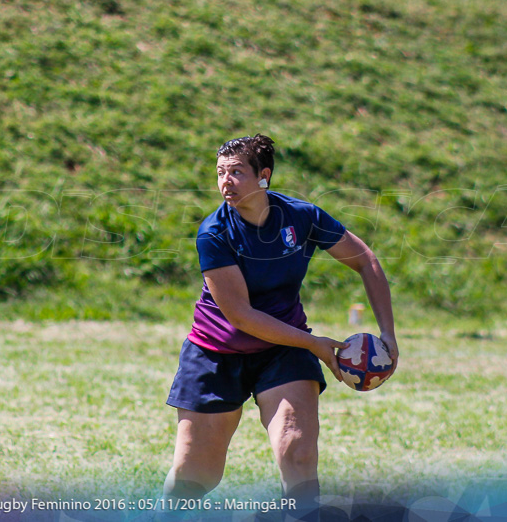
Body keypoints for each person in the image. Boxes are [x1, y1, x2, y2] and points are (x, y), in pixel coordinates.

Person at [162, 134, 398, 517]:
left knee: (298, 453)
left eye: (236, 172)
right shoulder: (214, 234)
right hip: (216, 355)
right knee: (196, 476)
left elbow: (365, 260)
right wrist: (315, 344)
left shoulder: (301, 217)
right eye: (220, 173)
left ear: (264, 176)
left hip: (283, 350)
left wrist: (388, 335)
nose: (226, 182)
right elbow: (240, 315)